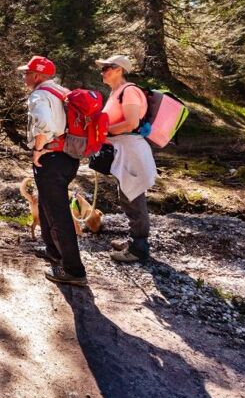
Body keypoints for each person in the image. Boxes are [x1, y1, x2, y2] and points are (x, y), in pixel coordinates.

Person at [22, 55, 87, 286]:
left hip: (51, 157)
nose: (24, 76)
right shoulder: (62, 92)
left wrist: (38, 150)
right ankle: (53, 250)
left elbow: (45, 124)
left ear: (38, 75)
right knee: (48, 206)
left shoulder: (39, 95)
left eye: (27, 72)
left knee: (58, 212)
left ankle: (74, 271)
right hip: (68, 156)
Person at [97, 54, 158, 264]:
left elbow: (131, 123)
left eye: (106, 67)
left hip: (132, 150)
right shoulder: (116, 93)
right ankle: (134, 241)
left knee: (133, 196)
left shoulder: (129, 91)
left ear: (119, 70)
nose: (102, 71)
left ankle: (139, 248)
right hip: (124, 150)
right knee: (127, 195)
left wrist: (104, 134)